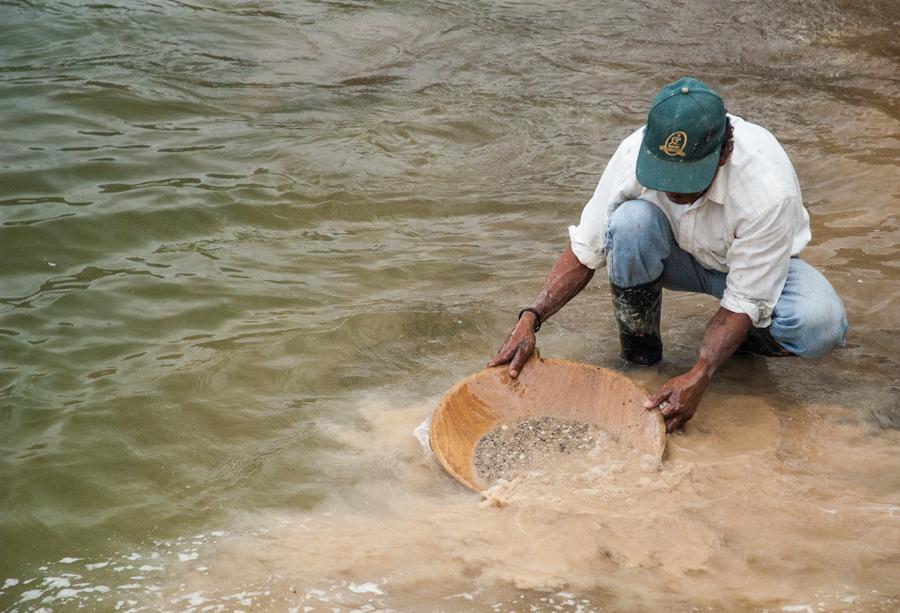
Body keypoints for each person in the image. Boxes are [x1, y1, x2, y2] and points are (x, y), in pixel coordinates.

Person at [488, 76, 848, 433]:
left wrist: (700, 374)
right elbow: (586, 250)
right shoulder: (632, 154)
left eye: (688, 179)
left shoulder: (768, 190)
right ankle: (641, 358)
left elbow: (745, 299)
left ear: (723, 153)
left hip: (751, 268)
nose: (674, 190)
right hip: (676, 255)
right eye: (665, 174)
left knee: (820, 325)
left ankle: (742, 345)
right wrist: (530, 319)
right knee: (630, 223)